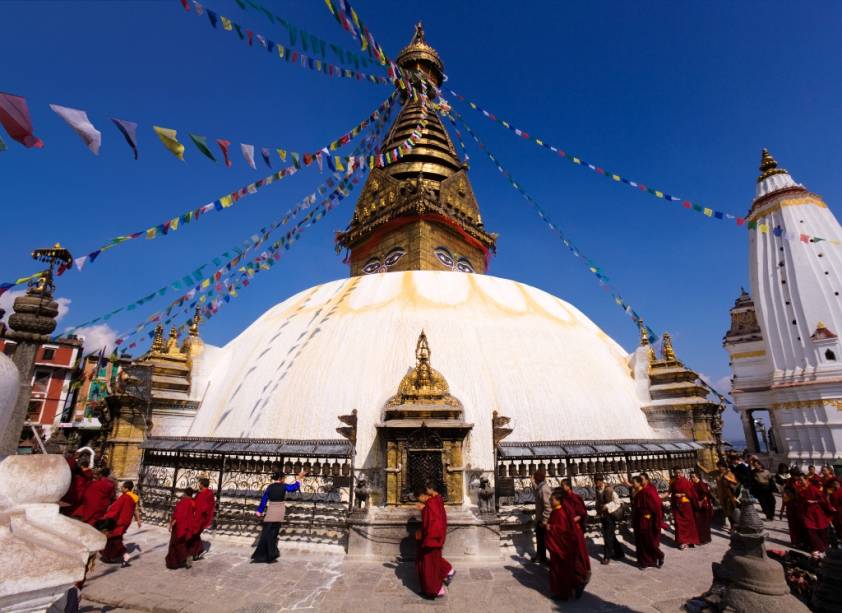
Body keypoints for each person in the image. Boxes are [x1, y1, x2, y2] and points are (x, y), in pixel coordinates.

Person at [546, 487, 590, 601]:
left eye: (552, 500)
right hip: (557, 546)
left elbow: (563, 531)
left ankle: (566, 591)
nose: (550, 502)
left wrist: (550, 528)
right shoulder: (556, 511)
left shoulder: (560, 513)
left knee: (563, 570)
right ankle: (563, 591)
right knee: (560, 570)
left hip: (562, 547)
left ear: (559, 501)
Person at [251, 471, 304, 564]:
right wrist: (299, 478)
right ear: (281, 478)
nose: (284, 479)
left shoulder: (270, 487)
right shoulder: (284, 486)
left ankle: (265, 555)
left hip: (271, 510)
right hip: (280, 511)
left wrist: (260, 511)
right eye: (284, 478)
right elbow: (294, 488)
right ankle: (271, 554)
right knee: (273, 533)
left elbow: (264, 499)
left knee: (266, 532)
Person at [414, 480, 454, 599]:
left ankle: (434, 590)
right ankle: (436, 588)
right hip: (434, 538)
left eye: (419, 498)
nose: (419, 500)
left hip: (432, 539)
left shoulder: (432, 503)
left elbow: (433, 521)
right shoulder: (437, 500)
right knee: (431, 563)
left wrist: (423, 509)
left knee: (429, 566)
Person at [100, 480, 141, 567]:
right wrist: (138, 520)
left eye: (122, 487)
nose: (121, 488)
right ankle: (109, 556)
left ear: (126, 489)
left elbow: (115, 509)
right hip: (126, 521)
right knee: (114, 538)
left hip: (119, 521)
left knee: (115, 539)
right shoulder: (134, 497)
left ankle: (125, 556)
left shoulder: (125, 497)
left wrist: (106, 516)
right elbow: (136, 509)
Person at [631, 475, 664, 569]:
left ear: (639, 483)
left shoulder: (647, 492)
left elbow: (655, 506)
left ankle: (660, 555)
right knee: (640, 541)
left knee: (647, 540)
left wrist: (651, 517)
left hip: (646, 520)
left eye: (634, 483)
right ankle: (644, 562)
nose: (633, 485)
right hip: (638, 519)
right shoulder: (637, 492)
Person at [798, 473, 833, 555]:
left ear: (806, 480)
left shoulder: (813, 488)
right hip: (806, 513)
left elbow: (823, 499)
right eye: (799, 480)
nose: (800, 482)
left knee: (821, 529)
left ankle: (822, 547)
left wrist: (814, 501)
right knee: (810, 530)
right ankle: (818, 547)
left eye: (802, 480)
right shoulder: (801, 490)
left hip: (816, 512)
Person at [594, 474, 624, 564]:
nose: (597, 483)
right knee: (610, 536)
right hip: (603, 516)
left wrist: (607, 506)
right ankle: (619, 553)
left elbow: (617, 502)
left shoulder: (609, 490)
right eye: (595, 481)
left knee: (607, 537)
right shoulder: (597, 489)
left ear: (601, 481)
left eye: (598, 481)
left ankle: (606, 557)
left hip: (611, 516)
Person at [166, 487, 197, 569]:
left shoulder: (183, 502)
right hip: (189, 525)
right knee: (183, 543)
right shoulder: (193, 502)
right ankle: (185, 557)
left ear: (185, 494)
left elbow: (179, 515)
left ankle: (179, 560)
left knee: (176, 544)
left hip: (180, 525)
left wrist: (172, 523)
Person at [669, 471, 700, 549]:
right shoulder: (674, 483)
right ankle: (683, 542)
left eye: (679, 473)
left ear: (682, 473)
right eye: (676, 473)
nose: (678, 474)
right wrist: (674, 496)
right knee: (679, 524)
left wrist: (683, 494)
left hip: (687, 506)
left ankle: (692, 541)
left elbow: (692, 494)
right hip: (678, 505)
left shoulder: (686, 482)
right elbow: (672, 493)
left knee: (690, 523)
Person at [188, 477, 216, 560]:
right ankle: (196, 553)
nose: (199, 485)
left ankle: (196, 552)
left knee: (194, 534)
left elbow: (208, 507)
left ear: (202, 484)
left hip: (201, 519)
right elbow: (194, 503)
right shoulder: (200, 494)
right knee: (194, 535)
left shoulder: (208, 494)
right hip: (196, 517)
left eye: (200, 483)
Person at [531, 469, 552, 565]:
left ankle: (544, 558)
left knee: (544, 540)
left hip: (544, 520)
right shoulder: (541, 487)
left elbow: (548, 507)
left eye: (535, 479)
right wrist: (532, 481)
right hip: (540, 519)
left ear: (537, 479)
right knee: (540, 539)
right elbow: (536, 490)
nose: (534, 480)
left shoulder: (544, 489)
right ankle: (540, 557)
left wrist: (544, 520)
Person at [689, 471, 713, 545]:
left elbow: (705, 495)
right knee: (699, 523)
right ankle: (701, 538)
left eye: (693, 477)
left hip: (702, 506)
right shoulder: (694, 484)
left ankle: (704, 539)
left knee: (703, 523)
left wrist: (700, 502)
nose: (692, 478)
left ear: (697, 476)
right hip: (697, 505)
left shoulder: (701, 484)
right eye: (691, 477)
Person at [716, 462, 741, 531]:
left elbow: (736, 483)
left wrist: (728, 479)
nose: (720, 468)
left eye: (721, 466)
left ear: (724, 467)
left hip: (730, 496)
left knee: (732, 511)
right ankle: (732, 525)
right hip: (722, 496)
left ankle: (734, 526)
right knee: (727, 512)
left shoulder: (729, 474)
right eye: (718, 466)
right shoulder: (718, 475)